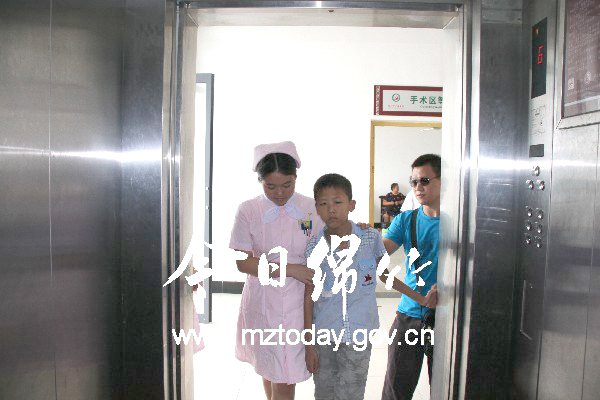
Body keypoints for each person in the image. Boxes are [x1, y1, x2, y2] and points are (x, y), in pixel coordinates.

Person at [229, 141, 325, 400]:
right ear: (260, 181)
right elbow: (242, 262)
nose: (280, 193)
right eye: (270, 186)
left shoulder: (311, 207)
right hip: (263, 298)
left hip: (300, 300)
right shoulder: (249, 209)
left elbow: (329, 241)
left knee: (285, 372)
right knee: (269, 365)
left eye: (287, 185)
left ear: (296, 178)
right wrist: (290, 269)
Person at [304, 173, 387, 400]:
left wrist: (418, 297)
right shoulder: (313, 247)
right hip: (324, 334)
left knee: (351, 393)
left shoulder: (370, 237)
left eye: (338, 202)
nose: (331, 210)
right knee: (324, 391)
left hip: (358, 334)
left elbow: (386, 274)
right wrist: (309, 345)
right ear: (316, 208)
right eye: (323, 204)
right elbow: (309, 297)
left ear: (352, 205)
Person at [379, 154, 441, 400]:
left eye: (424, 180)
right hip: (410, 316)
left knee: (446, 388)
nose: (417, 187)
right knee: (396, 391)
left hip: (449, 319)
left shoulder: (461, 224)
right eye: (413, 182)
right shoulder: (406, 220)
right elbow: (376, 260)